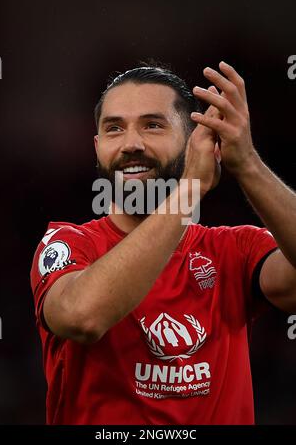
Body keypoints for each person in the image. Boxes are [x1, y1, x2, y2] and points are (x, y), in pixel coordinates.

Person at [30, 61, 296, 425]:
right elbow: (82, 316)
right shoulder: (66, 243)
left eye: (152, 125)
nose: (131, 144)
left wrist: (246, 162)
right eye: (114, 129)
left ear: (195, 141)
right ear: (97, 147)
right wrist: (190, 189)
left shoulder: (234, 250)